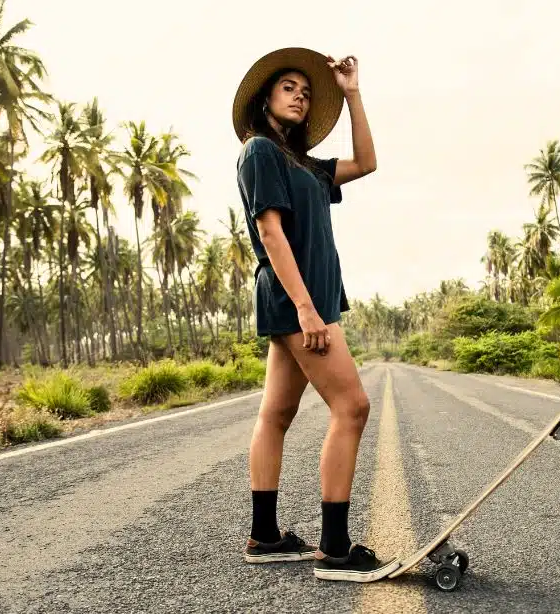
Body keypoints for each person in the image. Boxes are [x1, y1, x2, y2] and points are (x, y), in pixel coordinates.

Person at [232, 47, 398, 582]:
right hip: (298, 302)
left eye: (306, 91)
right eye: (289, 87)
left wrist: (351, 93)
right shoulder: (260, 151)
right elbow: (270, 232)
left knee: (275, 415)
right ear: (264, 99)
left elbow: (367, 162)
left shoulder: (305, 164)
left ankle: (266, 536)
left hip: (309, 303)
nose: (301, 95)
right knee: (352, 406)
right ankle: (335, 546)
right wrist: (306, 309)